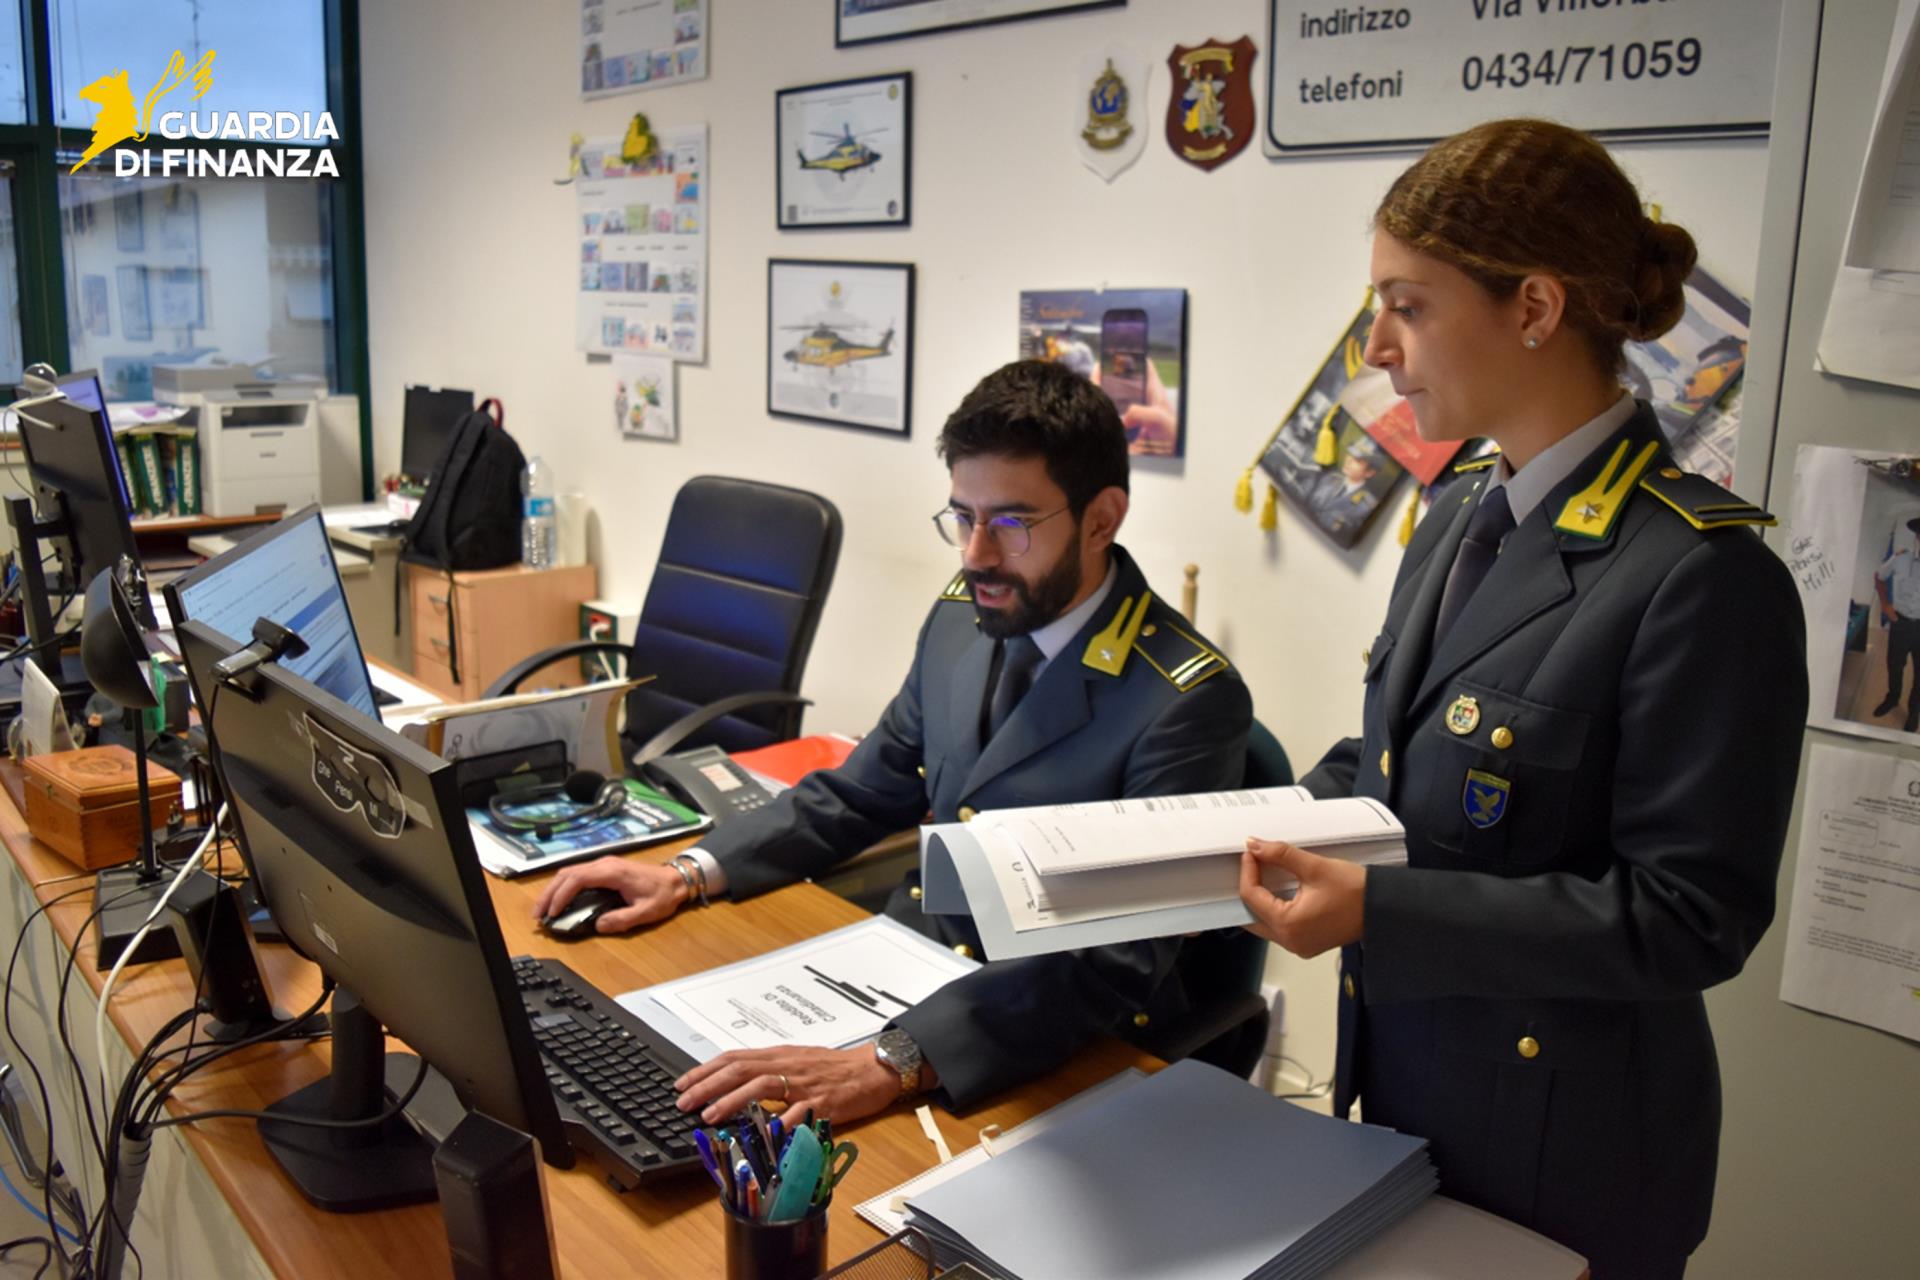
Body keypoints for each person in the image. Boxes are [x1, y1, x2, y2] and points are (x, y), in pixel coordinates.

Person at [1235, 118, 1807, 1279]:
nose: (1377, 347)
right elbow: (1396, 755)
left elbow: (1690, 916)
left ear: (1535, 307)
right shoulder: (1457, 511)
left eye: (1408, 306)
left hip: (1569, 1153)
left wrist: (1378, 913)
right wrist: (1224, 834)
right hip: (1411, 1094)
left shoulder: (1703, 574)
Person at [536, 358, 1252, 1126]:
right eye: (963, 517)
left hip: (1036, 1046)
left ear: (1102, 519)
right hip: (903, 974)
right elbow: (862, 790)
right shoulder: (962, 619)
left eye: (1011, 525)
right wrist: (687, 874)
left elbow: (1113, 964)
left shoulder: (1184, 700)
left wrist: (895, 1059)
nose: (975, 554)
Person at [1870, 514, 1920, 731]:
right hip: (1900, 623)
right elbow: (1879, 577)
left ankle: (1914, 712)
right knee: (1895, 665)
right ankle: (1892, 698)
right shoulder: (1900, 558)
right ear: (1917, 538)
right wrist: (1885, 605)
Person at [1304, 434, 1384, 539]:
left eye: (1357, 460)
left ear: (1369, 472)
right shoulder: (1329, 479)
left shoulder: (1367, 507)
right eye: (1350, 454)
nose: (1348, 461)